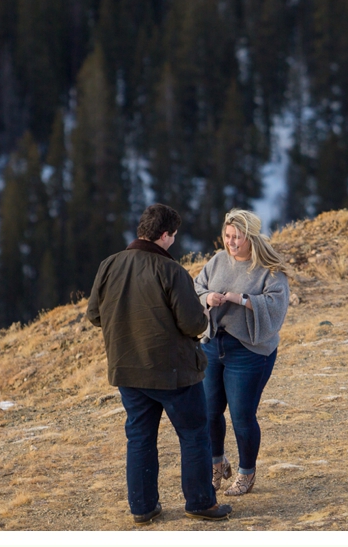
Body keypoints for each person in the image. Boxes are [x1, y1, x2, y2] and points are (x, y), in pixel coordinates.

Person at [87, 203, 232, 524]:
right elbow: (193, 324)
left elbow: (95, 315)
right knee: (194, 434)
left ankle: (143, 508)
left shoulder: (108, 265)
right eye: (174, 236)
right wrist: (204, 311)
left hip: (127, 370)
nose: (174, 242)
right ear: (164, 235)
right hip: (174, 372)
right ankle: (200, 503)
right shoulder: (171, 271)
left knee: (139, 438)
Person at [194, 208, 291, 496]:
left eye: (237, 237)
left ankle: (246, 474)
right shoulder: (217, 261)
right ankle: (216, 463)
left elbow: (277, 305)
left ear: (250, 237)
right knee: (209, 412)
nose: (231, 242)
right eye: (227, 236)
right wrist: (207, 297)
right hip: (213, 344)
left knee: (242, 416)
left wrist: (244, 300)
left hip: (249, 351)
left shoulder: (268, 268)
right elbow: (196, 287)